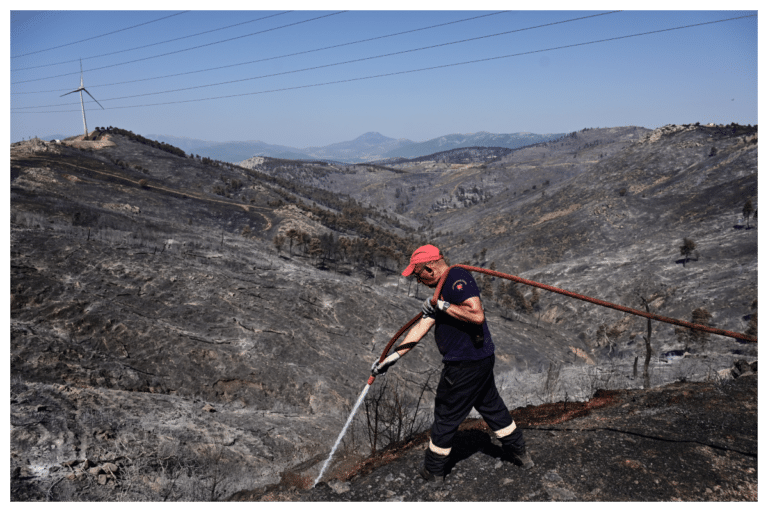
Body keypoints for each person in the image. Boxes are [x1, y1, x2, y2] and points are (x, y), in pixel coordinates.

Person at [371, 244, 534, 484]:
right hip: (479, 361)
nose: (418, 281)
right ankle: (520, 452)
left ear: (429, 268)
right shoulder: (441, 288)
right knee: (491, 405)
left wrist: (442, 305)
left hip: (464, 365)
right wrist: (392, 358)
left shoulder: (457, 279)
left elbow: (477, 315)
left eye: (418, 275)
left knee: (446, 415)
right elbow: (422, 326)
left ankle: (434, 470)